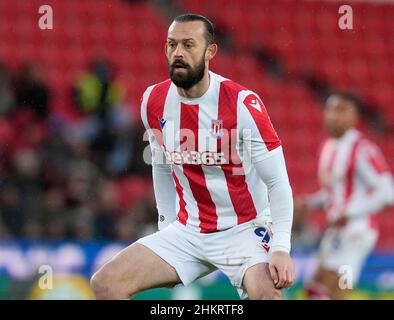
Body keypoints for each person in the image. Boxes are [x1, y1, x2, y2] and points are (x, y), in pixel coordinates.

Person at [91, 13, 295, 300]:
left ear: (210, 51)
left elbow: (278, 184)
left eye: (188, 45)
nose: (178, 53)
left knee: (267, 296)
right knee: (106, 283)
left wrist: (281, 249)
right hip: (189, 231)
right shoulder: (153, 101)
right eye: (171, 45)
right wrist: (166, 225)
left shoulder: (242, 104)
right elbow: (161, 165)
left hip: (245, 229)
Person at [294, 92, 394, 299]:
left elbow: (387, 192)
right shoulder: (328, 147)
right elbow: (334, 194)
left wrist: (350, 213)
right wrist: (309, 203)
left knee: (339, 286)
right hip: (337, 232)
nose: (333, 116)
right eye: (331, 109)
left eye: (342, 110)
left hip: (356, 232)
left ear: (355, 118)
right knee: (315, 287)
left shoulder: (362, 148)